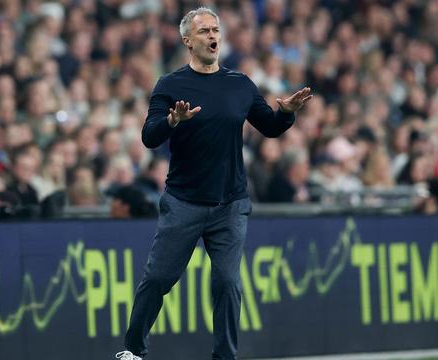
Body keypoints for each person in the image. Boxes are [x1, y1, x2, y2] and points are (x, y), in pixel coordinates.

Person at [116, 7, 312, 360]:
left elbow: (268, 126)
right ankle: (132, 351)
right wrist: (171, 123)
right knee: (159, 278)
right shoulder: (170, 85)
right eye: (204, 30)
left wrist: (286, 113)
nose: (213, 36)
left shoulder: (239, 84)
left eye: (216, 30)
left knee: (227, 283)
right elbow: (148, 136)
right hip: (184, 201)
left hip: (230, 203)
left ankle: (225, 357)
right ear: (187, 41)